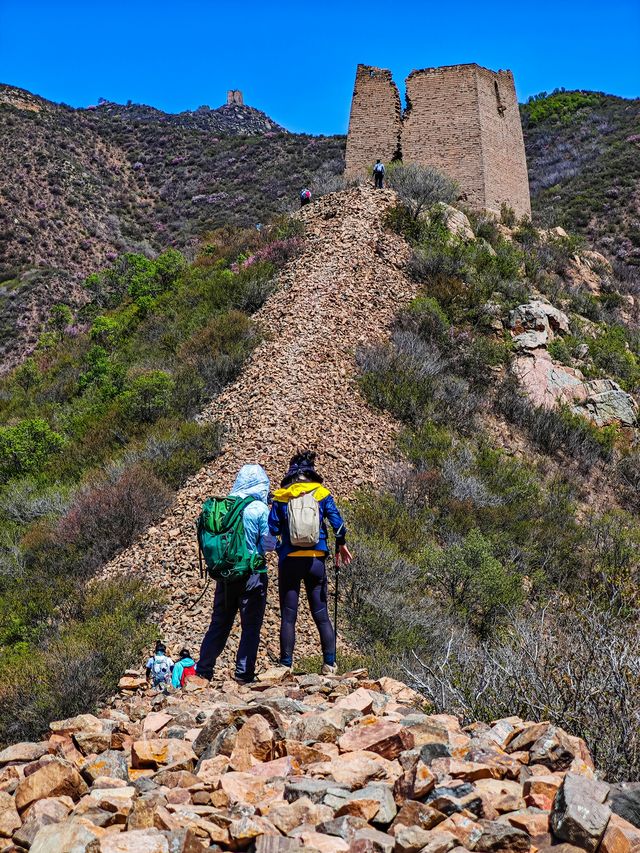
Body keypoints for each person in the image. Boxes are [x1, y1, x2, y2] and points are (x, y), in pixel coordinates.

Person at [269, 451, 352, 675]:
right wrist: (340, 545)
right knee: (321, 613)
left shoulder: (282, 496)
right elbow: (339, 525)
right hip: (316, 560)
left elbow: (272, 530)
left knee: (288, 615)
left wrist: (280, 548)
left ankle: (286, 665)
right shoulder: (321, 494)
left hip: (290, 561)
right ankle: (329, 664)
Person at [195, 465, 275, 685]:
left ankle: (203, 670)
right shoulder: (258, 508)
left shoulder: (224, 507)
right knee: (250, 626)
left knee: (220, 623)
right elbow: (269, 544)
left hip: (225, 575)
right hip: (251, 575)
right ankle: (243, 674)